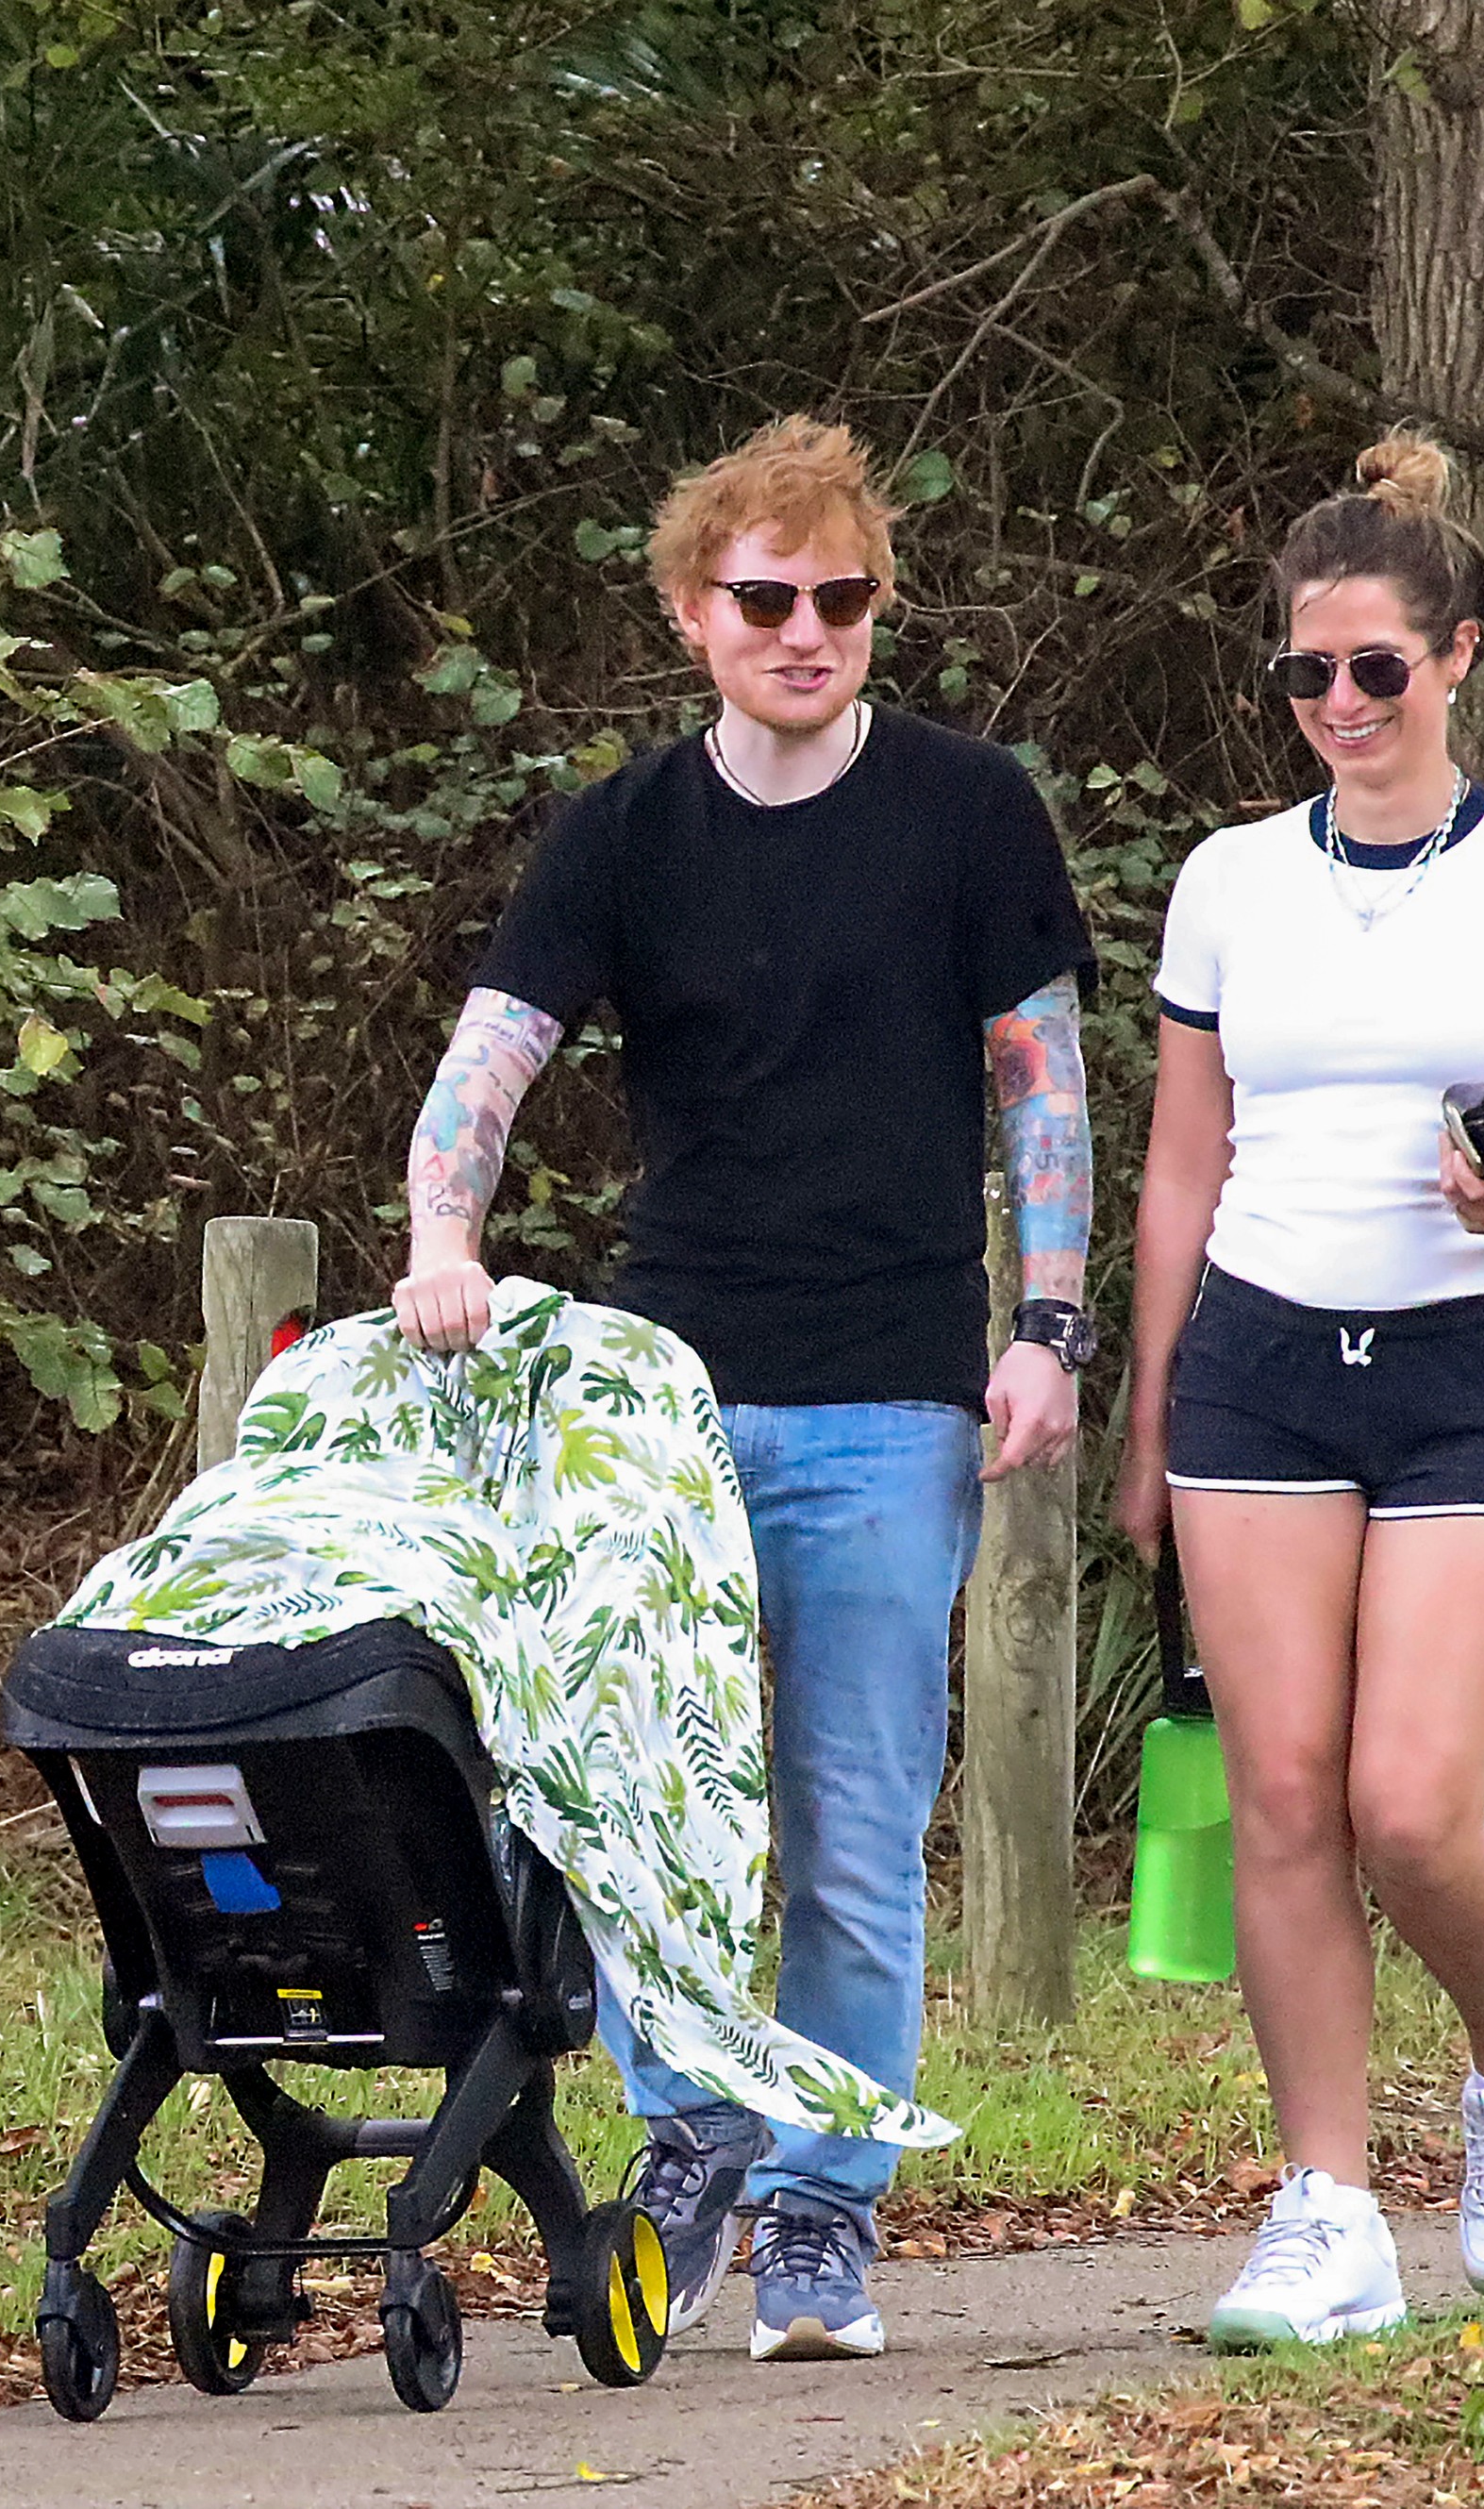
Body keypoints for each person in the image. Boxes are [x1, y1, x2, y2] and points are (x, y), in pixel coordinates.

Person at [393, 414, 1097, 2362]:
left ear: (878, 608)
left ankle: (819, 2219)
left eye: (840, 597)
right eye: (767, 598)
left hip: (889, 1399)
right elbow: (488, 1062)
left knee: (854, 1830)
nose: (806, 630)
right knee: (630, 1809)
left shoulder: (969, 811)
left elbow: (1041, 1081)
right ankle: (693, 2131)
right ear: (691, 616)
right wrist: (444, 1241)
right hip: (663, 1402)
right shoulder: (625, 830)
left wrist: (1047, 1328)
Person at [1114, 430, 1484, 2350]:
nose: (1337, 702)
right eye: (1304, 671)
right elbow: (1182, 1165)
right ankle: (1326, 2208)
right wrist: (1149, 1417)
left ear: (1458, 657)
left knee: (1408, 1805)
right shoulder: (1227, 882)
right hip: (1260, 1366)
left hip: (1474, 1363)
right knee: (1280, 1798)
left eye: (1374, 667)